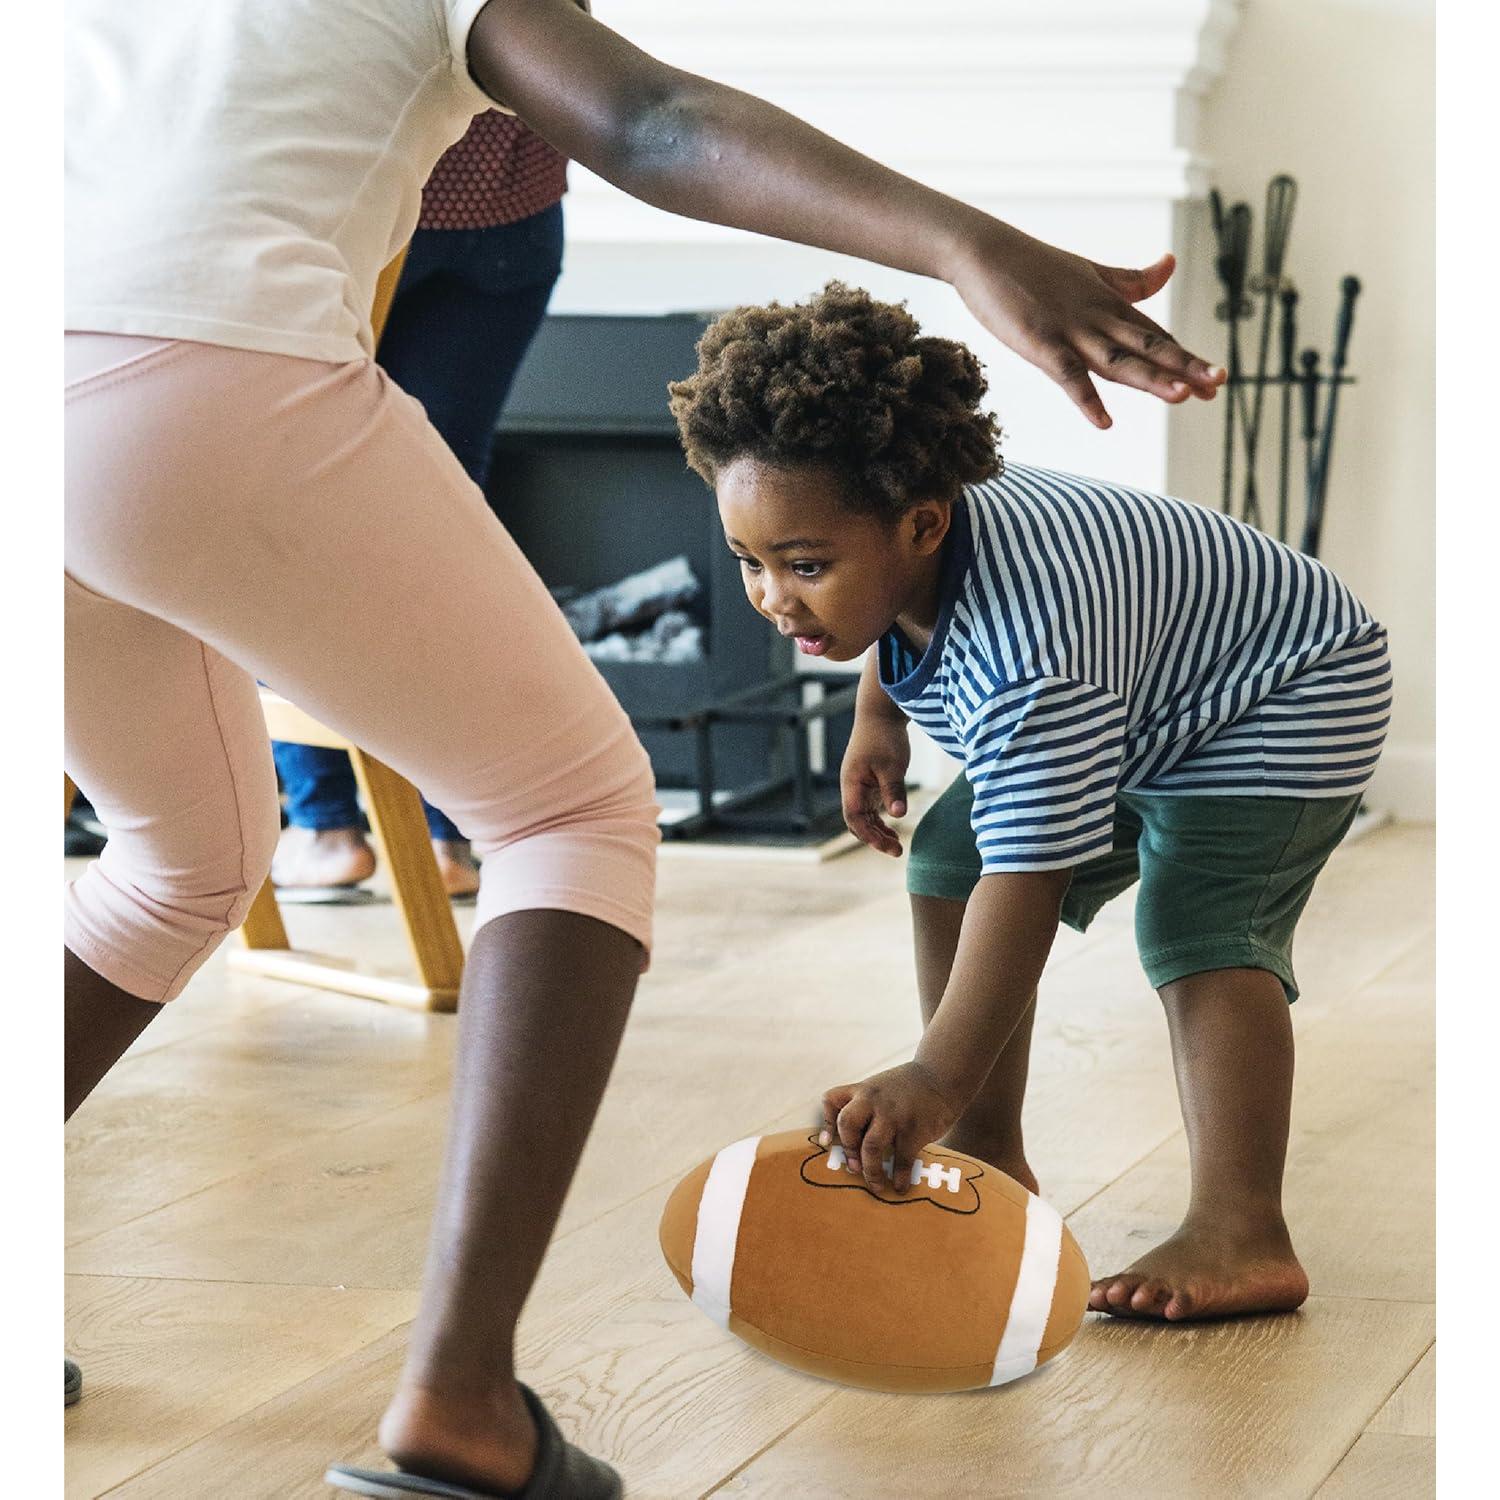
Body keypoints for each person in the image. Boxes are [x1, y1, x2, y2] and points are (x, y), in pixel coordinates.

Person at [65, 2, 1224, 1494]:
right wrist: (963, 243)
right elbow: (649, 122)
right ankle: (462, 1405)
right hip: (185, 359)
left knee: (177, 861)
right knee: (572, 814)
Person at [668, 282, 1389, 1327]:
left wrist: (933, 1073)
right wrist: (880, 717)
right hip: (1143, 680)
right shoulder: (914, 517)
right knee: (946, 858)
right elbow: (897, 612)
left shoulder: (1031, 664)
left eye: (805, 566)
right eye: (752, 562)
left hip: (1287, 684)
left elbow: (1031, 874)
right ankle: (988, 1153)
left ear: (922, 523)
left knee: (1200, 928)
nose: (775, 598)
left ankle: (1244, 1231)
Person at [271, 111, 569, 901]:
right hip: (511, 207)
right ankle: (449, 838)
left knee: (297, 504)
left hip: (360, 201)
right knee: (441, 514)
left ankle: (326, 827)